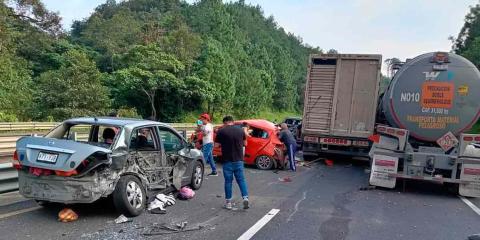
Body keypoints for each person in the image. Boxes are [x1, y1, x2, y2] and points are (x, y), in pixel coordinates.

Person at [215, 115, 249, 210]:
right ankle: (245, 198)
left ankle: (228, 203)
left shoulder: (221, 131)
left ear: (224, 122)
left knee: (228, 182)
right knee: (241, 180)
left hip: (227, 161)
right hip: (239, 160)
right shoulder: (241, 130)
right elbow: (245, 144)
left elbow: (216, 145)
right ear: (232, 122)